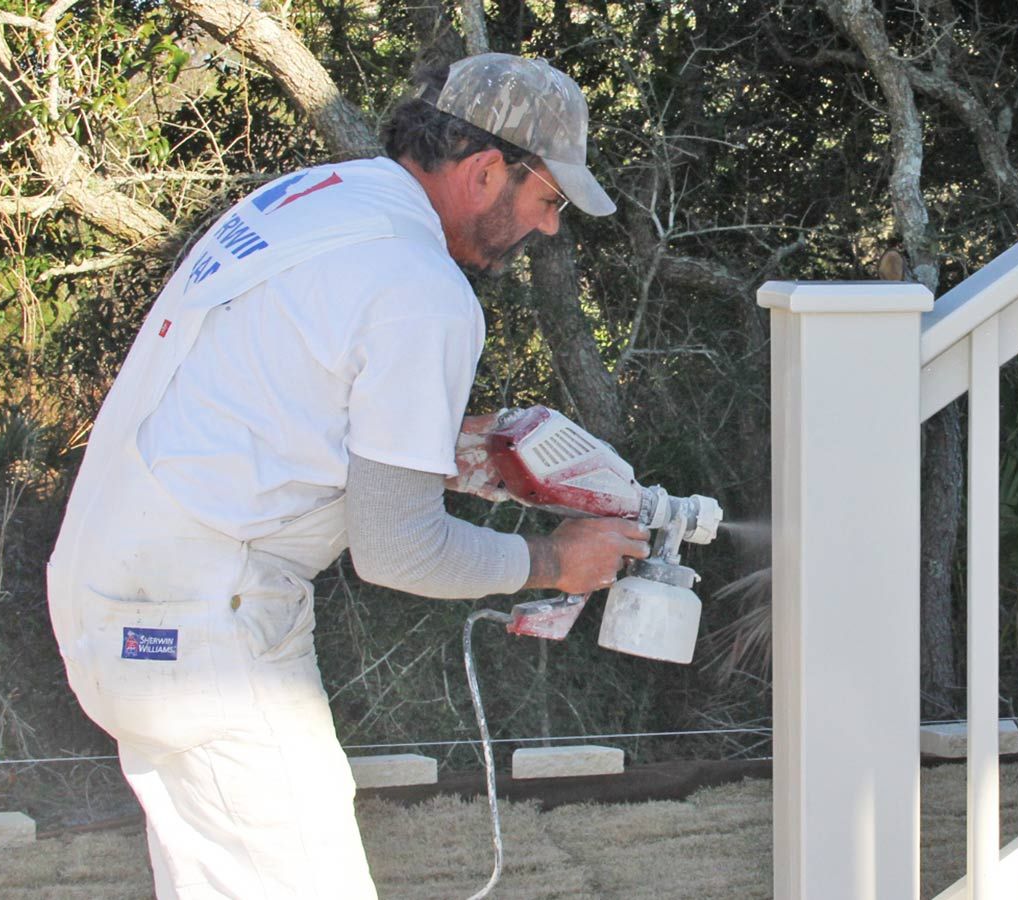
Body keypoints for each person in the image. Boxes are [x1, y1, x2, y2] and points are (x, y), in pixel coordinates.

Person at [45, 53, 648, 898]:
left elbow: (274, 408)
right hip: (210, 628)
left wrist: (454, 452)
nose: (548, 228)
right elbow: (398, 551)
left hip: (121, 595)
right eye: (548, 201)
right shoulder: (423, 287)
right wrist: (557, 563)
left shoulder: (318, 198)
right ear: (485, 172)